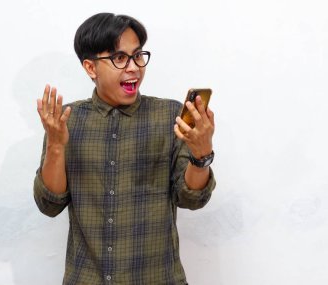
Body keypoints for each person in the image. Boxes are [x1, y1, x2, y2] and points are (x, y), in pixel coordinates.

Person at [33, 12, 216, 285]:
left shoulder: (169, 116)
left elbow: (191, 198)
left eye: (138, 55)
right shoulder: (67, 121)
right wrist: (56, 147)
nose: (134, 67)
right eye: (119, 58)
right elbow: (49, 205)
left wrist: (201, 155)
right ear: (90, 68)